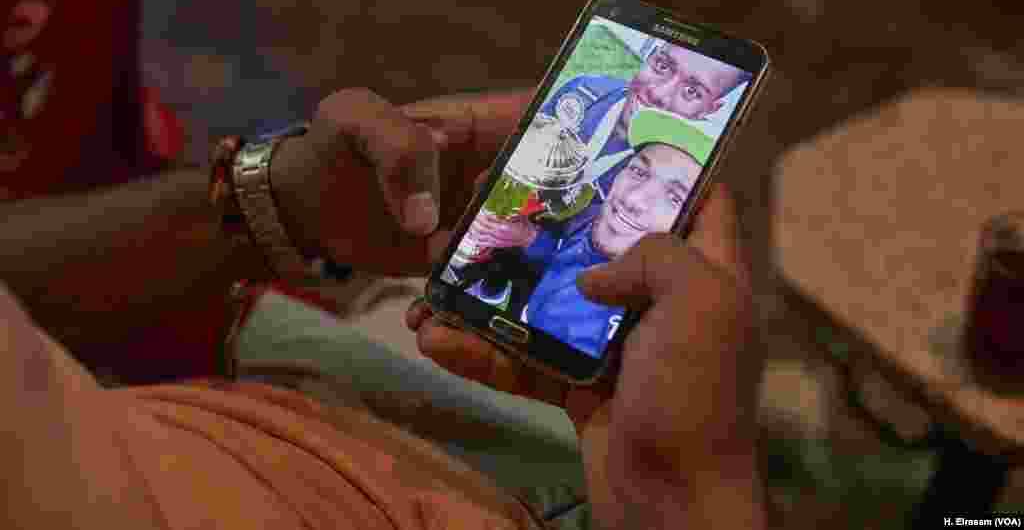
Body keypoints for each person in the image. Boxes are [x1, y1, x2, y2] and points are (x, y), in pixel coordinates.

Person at [0, 86, 766, 529]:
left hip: (272, 398)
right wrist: (688, 503)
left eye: (666, 190)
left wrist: (273, 201)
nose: (638, 199)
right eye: (642, 179)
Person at [460, 107, 713, 358]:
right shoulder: (593, 215)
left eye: (675, 197)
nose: (633, 199)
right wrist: (529, 238)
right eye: (638, 171)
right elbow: (566, 254)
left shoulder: (627, 332)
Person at [477, 40, 751, 260]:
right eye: (663, 65)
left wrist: (530, 239)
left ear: (710, 109)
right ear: (649, 57)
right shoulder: (584, 91)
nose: (658, 93)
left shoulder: (667, 178)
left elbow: (591, 262)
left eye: (692, 91)